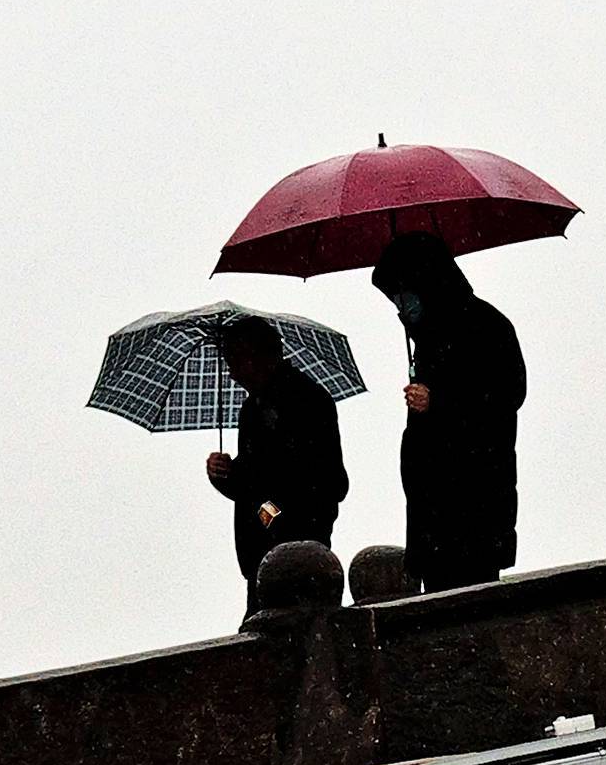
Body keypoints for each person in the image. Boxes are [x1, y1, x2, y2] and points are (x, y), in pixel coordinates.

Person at [380, 238, 526, 592]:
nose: (402, 305)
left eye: (405, 293)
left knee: (473, 602)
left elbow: (506, 396)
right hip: (433, 514)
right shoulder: (427, 339)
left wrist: (440, 401)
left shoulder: (487, 326)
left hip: (475, 507)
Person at [199, 314, 348, 600]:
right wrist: (223, 474)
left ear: (254, 358)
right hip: (261, 557)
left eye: (234, 362)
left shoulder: (307, 400)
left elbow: (327, 482)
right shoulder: (252, 409)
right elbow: (251, 485)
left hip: (299, 553)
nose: (232, 374)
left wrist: (273, 514)